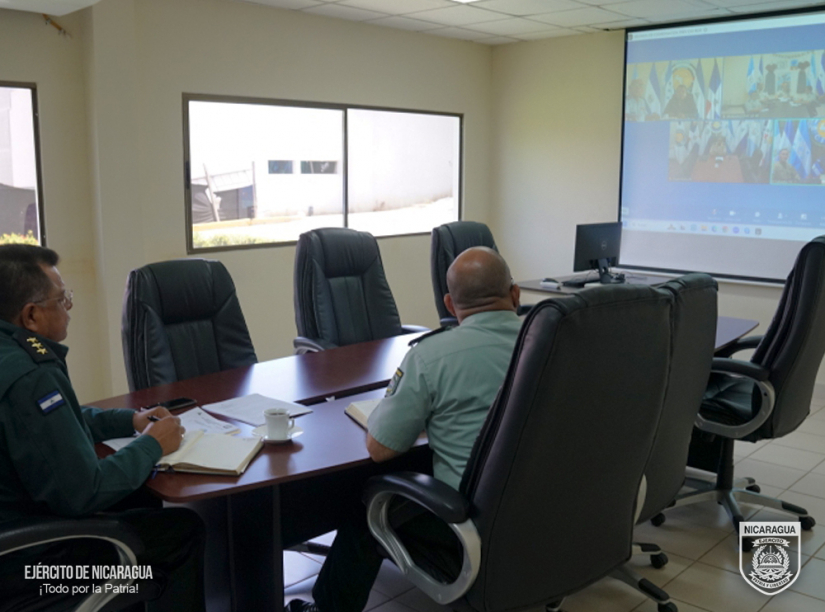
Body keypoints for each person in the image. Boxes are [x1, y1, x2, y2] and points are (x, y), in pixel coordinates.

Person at [288, 246, 523, 612]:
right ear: (515, 293)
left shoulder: (431, 357)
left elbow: (381, 447)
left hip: (473, 521)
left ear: (449, 304)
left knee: (366, 504)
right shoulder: (552, 344)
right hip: (544, 508)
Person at [0, 244, 206, 611]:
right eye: (61, 299)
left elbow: (53, 423)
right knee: (181, 532)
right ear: (31, 315)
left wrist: (128, 420)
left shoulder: (10, 356)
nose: (69, 307)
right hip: (32, 569)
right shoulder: (31, 375)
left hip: (14, 542)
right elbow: (85, 492)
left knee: (141, 499)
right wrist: (152, 445)